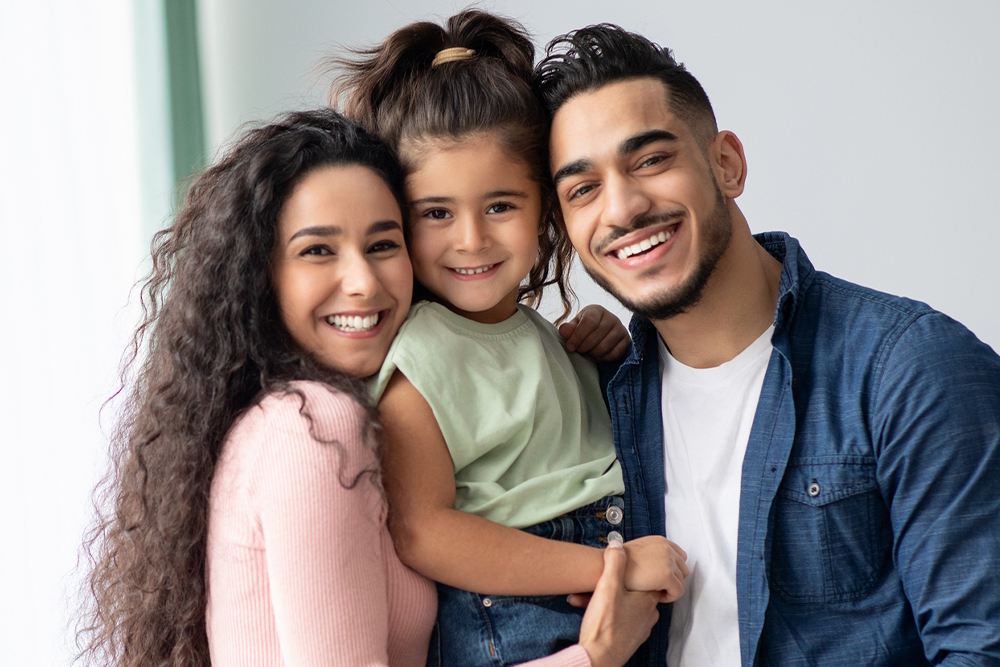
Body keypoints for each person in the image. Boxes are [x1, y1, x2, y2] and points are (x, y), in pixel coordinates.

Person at [77, 108, 663, 667]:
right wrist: (598, 655)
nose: (362, 282)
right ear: (260, 274)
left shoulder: (339, 410)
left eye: (383, 244)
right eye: (317, 251)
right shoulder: (312, 425)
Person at [533, 23, 1000, 667]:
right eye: (583, 189)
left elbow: (981, 648)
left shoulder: (912, 368)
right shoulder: (591, 400)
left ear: (727, 164)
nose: (623, 208)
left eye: (650, 160)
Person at [334, 11, 689, 667]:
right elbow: (423, 529)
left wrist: (602, 351)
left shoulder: (537, 335)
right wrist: (605, 565)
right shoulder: (422, 351)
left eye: (500, 205)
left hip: (596, 583)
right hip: (521, 618)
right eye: (436, 213)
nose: (470, 238)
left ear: (545, 212)